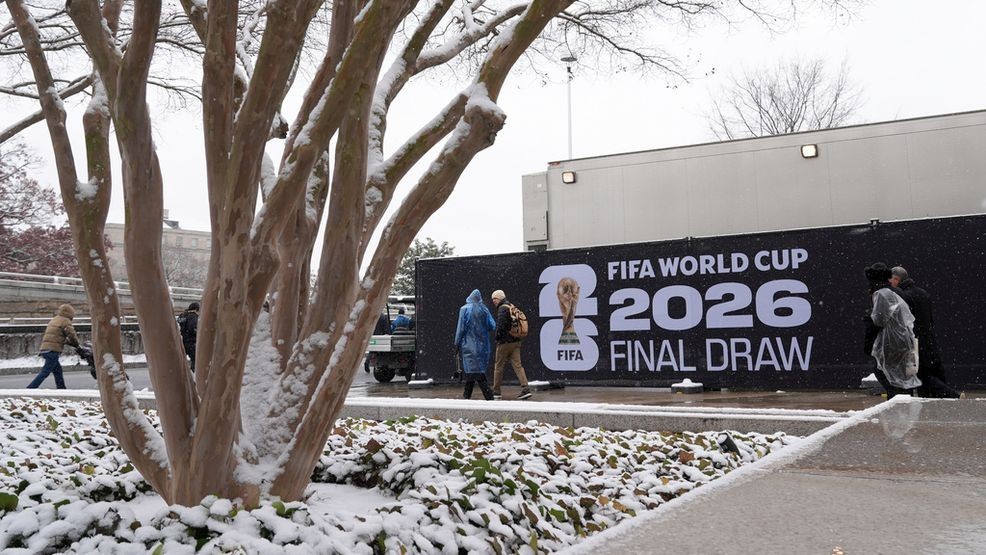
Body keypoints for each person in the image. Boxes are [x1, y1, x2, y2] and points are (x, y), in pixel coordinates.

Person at [890, 266, 961, 398]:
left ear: (897, 279)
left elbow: (905, 322)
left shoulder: (905, 296)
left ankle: (952, 395)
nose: (890, 283)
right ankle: (938, 398)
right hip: (928, 337)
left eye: (891, 280)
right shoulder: (923, 293)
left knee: (922, 374)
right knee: (930, 371)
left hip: (916, 340)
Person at [864, 263, 921, 397]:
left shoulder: (882, 294)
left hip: (893, 342)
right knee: (901, 378)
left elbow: (878, 320)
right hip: (904, 340)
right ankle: (903, 402)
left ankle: (897, 403)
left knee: (888, 375)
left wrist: (868, 322)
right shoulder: (894, 292)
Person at [454, 289, 497, 400]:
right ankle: (470, 396)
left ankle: (486, 396)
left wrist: (457, 343)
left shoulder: (464, 309)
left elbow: (461, 328)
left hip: (468, 345)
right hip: (483, 346)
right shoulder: (484, 309)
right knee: (477, 371)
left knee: (473, 372)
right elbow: (492, 325)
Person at [491, 289, 532, 400]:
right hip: (516, 342)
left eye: (495, 298)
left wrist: (498, 338)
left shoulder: (502, 309)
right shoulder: (511, 306)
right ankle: (525, 388)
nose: (493, 301)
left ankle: (496, 392)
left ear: (499, 298)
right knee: (518, 366)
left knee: (498, 367)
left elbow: (501, 326)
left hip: (504, 343)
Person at [27, 304, 80, 389]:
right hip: (52, 350)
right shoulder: (65, 321)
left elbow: (55, 336)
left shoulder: (55, 319)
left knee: (58, 371)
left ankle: (61, 388)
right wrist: (76, 344)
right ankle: (31, 388)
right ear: (70, 313)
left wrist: (65, 341)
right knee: (45, 371)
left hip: (46, 348)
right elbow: (71, 335)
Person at [178, 301, 200, 371]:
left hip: (184, 341)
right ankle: (195, 375)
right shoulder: (194, 318)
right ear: (196, 309)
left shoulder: (183, 316)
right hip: (192, 342)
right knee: (196, 361)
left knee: (183, 361)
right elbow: (193, 329)